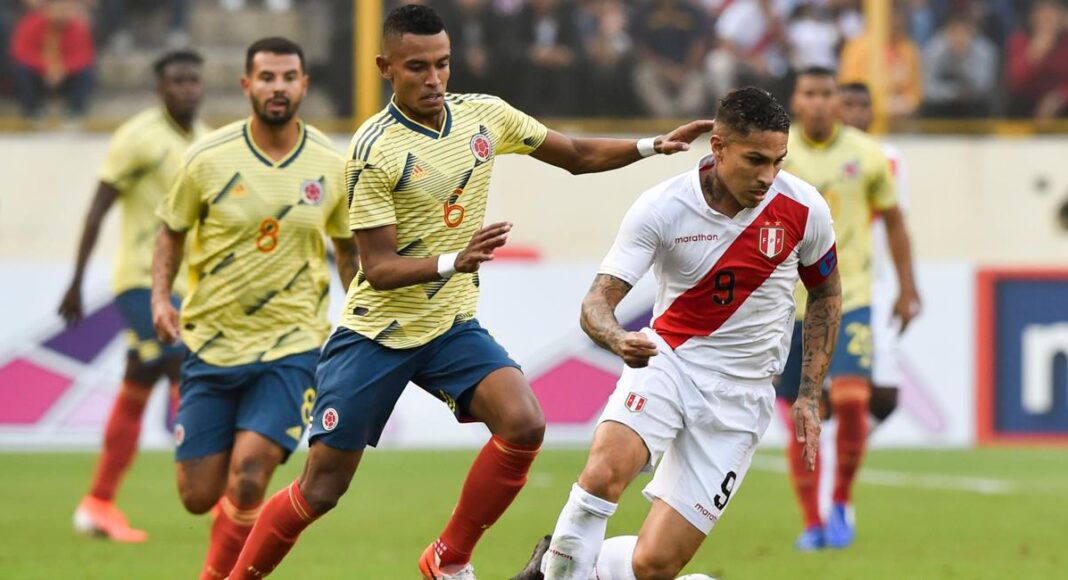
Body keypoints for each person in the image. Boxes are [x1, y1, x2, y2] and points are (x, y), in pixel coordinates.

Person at [226, 5, 713, 579]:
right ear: (385, 67)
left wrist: (651, 146)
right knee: (321, 489)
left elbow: (575, 156)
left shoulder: (483, 115)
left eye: (443, 64)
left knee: (524, 423)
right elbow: (376, 268)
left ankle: (447, 558)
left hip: (448, 327)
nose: (434, 78)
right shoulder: (373, 148)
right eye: (417, 67)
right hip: (377, 334)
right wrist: (455, 260)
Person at [513, 86, 841, 580]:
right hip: (667, 362)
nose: (768, 176)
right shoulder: (663, 207)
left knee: (655, 565)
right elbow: (597, 303)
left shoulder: (804, 208)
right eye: (755, 160)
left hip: (742, 397)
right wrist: (617, 339)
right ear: (718, 147)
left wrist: (809, 394)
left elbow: (826, 293)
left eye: (778, 161)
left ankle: (564, 562)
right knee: (602, 475)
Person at [150, 37, 357, 580]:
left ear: (304, 86)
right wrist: (160, 298)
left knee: (248, 474)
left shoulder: (330, 165)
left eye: (289, 77)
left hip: (293, 345)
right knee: (198, 494)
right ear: (247, 85)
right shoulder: (207, 159)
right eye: (267, 77)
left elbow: (348, 249)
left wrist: (361, 315)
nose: (278, 87)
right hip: (211, 344)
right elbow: (170, 232)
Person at [61, 49, 207, 544]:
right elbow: (98, 207)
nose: (186, 88)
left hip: (186, 286)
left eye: (193, 80)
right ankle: (222, 499)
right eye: (176, 81)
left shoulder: (207, 141)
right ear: (159, 88)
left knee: (138, 384)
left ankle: (98, 503)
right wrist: (76, 281)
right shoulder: (138, 138)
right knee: (188, 368)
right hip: (141, 281)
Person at [777, 67, 920, 551]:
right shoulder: (777, 153)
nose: (818, 102)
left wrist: (907, 288)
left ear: (837, 102)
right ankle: (811, 523)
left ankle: (840, 501)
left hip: (849, 295)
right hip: (787, 304)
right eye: (809, 93)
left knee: (855, 398)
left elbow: (895, 222)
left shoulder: (869, 155)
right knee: (803, 412)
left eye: (827, 94)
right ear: (796, 100)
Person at [838, 81, 917, 436]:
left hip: (873, 285)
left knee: (884, 395)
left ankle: (837, 452)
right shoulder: (812, 156)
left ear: (872, 112)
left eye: (862, 106)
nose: (855, 113)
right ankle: (827, 460)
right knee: (829, 394)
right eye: (848, 105)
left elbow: (897, 226)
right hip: (819, 285)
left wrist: (907, 288)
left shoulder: (888, 158)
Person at [9, 0, 94, 121]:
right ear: (47, 10)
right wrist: (47, 67)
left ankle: (76, 110)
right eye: (57, 9)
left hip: (66, 75)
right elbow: (21, 51)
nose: (60, 14)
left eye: (65, 9)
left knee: (86, 72)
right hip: (39, 73)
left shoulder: (78, 27)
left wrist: (63, 68)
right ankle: (32, 110)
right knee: (20, 70)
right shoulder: (30, 23)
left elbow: (84, 55)